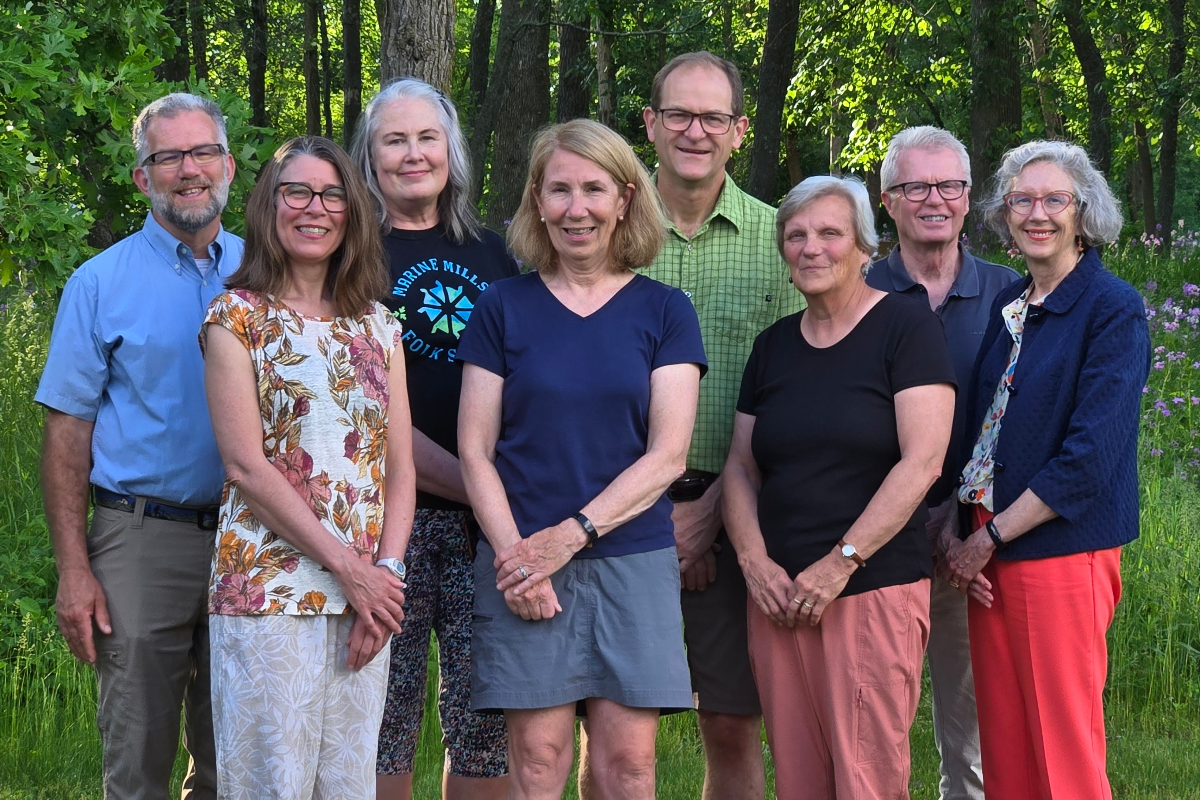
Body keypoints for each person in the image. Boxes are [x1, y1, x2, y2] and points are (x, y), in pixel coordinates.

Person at [457, 118, 705, 800]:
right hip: (519, 560)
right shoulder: (502, 307)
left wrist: (567, 540)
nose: (576, 208)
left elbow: (667, 455)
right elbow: (475, 451)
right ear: (536, 201)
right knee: (537, 759)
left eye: (594, 188)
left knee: (628, 767)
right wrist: (517, 558)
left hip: (630, 558)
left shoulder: (666, 311)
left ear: (626, 198)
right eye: (558, 189)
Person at [35, 92, 242, 799]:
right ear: (141, 176)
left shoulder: (266, 272)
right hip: (141, 537)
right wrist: (74, 570)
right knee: (138, 758)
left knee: (238, 758)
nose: (189, 170)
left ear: (229, 166)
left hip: (259, 539)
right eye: (168, 156)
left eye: (202, 152)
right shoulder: (99, 284)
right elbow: (67, 433)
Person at [724, 175, 956, 800]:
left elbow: (923, 461)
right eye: (795, 235)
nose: (811, 248)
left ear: (864, 247)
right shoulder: (773, 348)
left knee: (867, 780)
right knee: (800, 780)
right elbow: (742, 467)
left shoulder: (906, 329)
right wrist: (753, 563)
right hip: (777, 596)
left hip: (868, 589)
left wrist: (840, 562)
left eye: (830, 233)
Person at [200, 135, 415, 798]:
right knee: (273, 786)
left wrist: (384, 580)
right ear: (269, 205)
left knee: (348, 786)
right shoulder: (235, 318)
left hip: (364, 604)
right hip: (268, 594)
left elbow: (400, 469)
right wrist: (353, 572)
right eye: (296, 191)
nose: (314, 207)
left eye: (332, 194)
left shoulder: (379, 326)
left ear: (351, 213)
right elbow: (245, 467)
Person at [945, 141, 1150, 800]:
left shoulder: (1111, 308)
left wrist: (990, 539)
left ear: (1082, 212)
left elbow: (1090, 457)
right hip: (990, 548)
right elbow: (982, 431)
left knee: (1062, 749)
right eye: (1021, 200)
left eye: (1054, 199)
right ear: (1005, 215)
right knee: (1005, 744)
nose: (1037, 213)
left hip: (1056, 548)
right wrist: (964, 536)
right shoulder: (1014, 302)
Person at [632, 51, 804, 800]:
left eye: (712, 117)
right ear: (650, 123)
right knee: (612, 724)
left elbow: (800, 392)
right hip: (615, 512)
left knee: (732, 725)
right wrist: (653, 513)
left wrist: (710, 515)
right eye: (678, 113)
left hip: (740, 512)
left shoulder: (784, 242)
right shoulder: (607, 230)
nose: (694, 131)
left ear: (738, 129)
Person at [351, 77, 516, 800]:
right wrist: (479, 487)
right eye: (395, 139)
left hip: (490, 529)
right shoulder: (348, 258)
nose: (414, 154)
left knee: (486, 718)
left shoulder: (500, 254)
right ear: (370, 157)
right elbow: (366, 411)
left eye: (427, 137)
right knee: (381, 710)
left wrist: (498, 506)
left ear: (451, 149)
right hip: (388, 522)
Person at [867, 126, 1020, 800]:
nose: (935, 199)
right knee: (873, 735)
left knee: (973, 742)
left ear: (967, 197)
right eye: (916, 186)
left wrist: (968, 529)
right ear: (888, 200)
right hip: (873, 546)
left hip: (972, 549)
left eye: (949, 185)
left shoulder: (1013, 294)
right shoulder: (855, 289)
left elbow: (1027, 423)